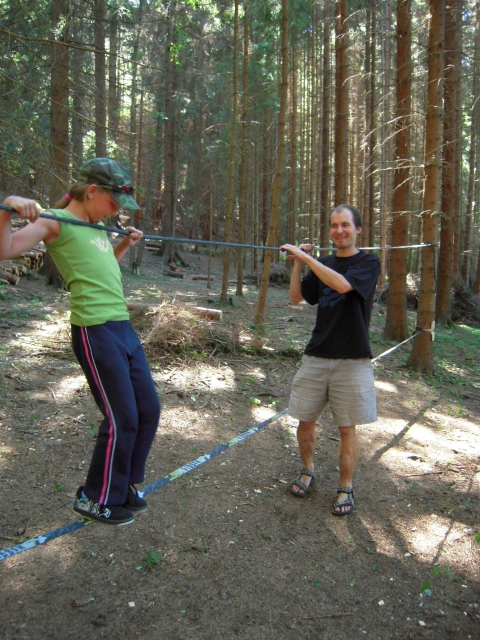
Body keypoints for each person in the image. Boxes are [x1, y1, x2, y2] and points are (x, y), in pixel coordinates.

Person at [0, 158, 161, 526]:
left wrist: (123, 244)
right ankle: (95, 498)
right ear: (92, 192)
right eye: (114, 203)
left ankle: (123, 485)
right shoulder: (54, 220)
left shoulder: (96, 226)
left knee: (148, 409)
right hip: (94, 330)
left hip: (122, 327)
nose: (116, 211)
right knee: (122, 417)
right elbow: (5, 249)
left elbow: (103, 269)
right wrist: (8, 207)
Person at [281, 204, 380, 516]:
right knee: (304, 420)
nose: (339, 231)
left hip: (353, 357)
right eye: (334, 225)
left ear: (357, 229)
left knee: (347, 428)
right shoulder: (322, 263)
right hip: (317, 355)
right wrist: (299, 263)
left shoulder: (368, 262)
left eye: (345, 225)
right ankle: (307, 470)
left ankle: (345, 486)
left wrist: (308, 258)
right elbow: (296, 297)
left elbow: (343, 285)